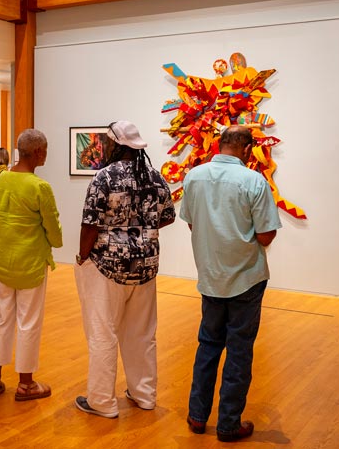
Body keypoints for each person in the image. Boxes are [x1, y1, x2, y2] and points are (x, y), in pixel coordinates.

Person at [180, 126, 281, 442]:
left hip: (210, 277)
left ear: (219, 144)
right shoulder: (253, 181)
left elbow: (193, 223)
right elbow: (265, 235)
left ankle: (197, 416)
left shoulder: (193, 177)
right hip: (245, 279)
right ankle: (228, 424)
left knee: (208, 345)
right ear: (248, 150)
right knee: (239, 351)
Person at [74, 120, 175, 418]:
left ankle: (102, 402)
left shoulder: (103, 177)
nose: (103, 146)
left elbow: (89, 223)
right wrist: (141, 229)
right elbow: (167, 216)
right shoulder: (155, 177)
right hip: (145, 267)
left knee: (103, 332)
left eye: (106, 141)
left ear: (117, 144)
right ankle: (144, 395)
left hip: (108, 266)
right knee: (142, 334)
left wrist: (82, 256)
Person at [0, 129, 63, 401]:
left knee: (2, 316)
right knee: (28, 321)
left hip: (2, 258)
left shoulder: (2, 179)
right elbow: (52, 226)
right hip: (30, 262)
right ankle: (26, 383)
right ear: (39, 152)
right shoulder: (39, 187)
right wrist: (57, 241)